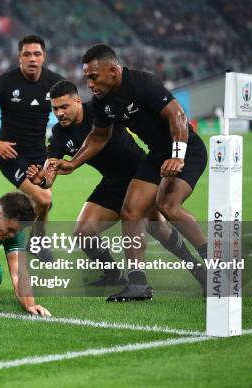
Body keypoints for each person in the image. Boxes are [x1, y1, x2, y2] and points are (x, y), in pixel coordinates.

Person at [60, 44, 208, 301]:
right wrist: (73, 163)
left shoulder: (143, 83)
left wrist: (177, 154)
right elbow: (98, 136)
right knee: (130, 210)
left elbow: (177, 115)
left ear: (113, 71)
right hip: (156, 155)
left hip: (187, 149)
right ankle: (138, 283)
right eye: (87, 78)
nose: (90, 84)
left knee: (167, 205)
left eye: (93, 77)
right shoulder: (102, 102)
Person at [26, 80, 205, 289]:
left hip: (140, 174)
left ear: (77, 101)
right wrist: (42, 180)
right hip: (112, 181)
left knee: (156, 226)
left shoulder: (99, 110)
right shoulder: (58, 133)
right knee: (83, 232)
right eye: (55, 109)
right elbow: (50, 169)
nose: (59, 113)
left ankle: (198, 270)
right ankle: (114, 274)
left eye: (64, 107)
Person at [0, 34, 64, 250]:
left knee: (42, 202)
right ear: (19, 57)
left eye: (37, 54)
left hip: (41, 154)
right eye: (27, 54)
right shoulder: (4, 83)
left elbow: (71, 112)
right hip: (11, 155)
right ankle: (37, 239)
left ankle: (28, 238)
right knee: (43, 199)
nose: (32, 59)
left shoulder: (55, 83)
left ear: (44, 57)